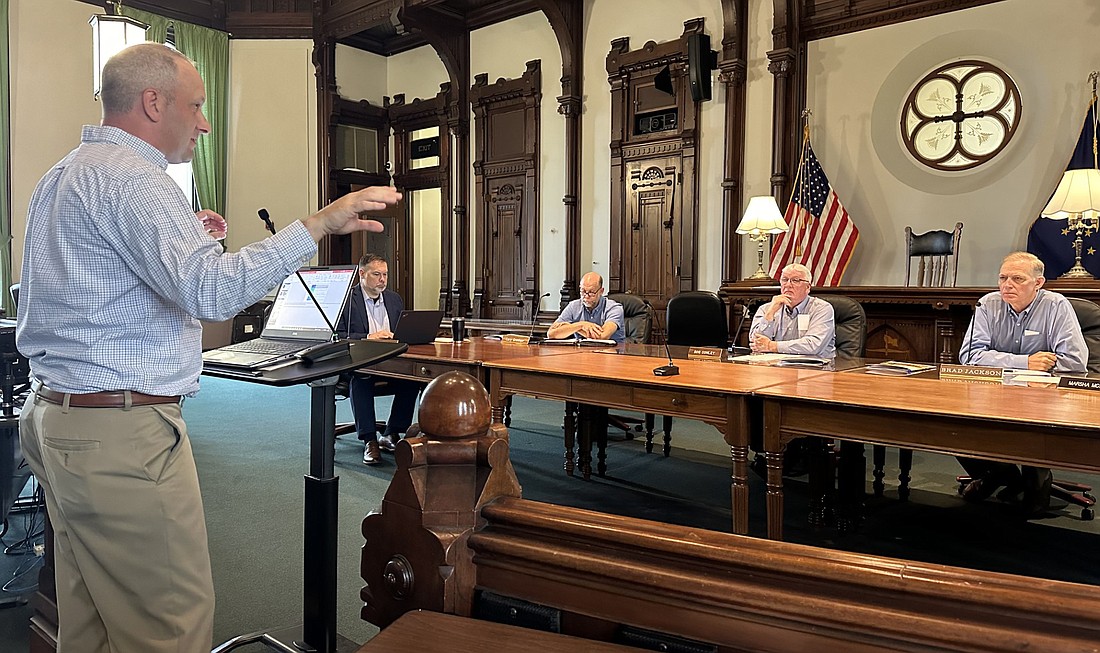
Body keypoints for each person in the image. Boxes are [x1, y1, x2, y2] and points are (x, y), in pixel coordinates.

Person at [15, 43, 400, 653]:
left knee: (90, 624)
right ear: (152, 102)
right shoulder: (136, 179)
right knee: (169, 628)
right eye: (195, 106)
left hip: (57, 418)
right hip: (119, 433)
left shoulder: (63, 175)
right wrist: (319, 225)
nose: (204, 123)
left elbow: (91, 289)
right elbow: (212, 292)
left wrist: (186, 239)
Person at [956, 251, 1087, 515]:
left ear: (1038, 283)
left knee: (1033, 508)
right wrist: (1025, 362)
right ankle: (1000, 475)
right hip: (995, 393)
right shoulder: (987, 304)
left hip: (1042, 398)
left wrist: (998, 361)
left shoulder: (1056, 306)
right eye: (1003, 278)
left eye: (1017, 278)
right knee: (954, 423)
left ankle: (1035, 481)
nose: (1007, 285)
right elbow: (969, 356)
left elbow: (1074, 362)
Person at [336, 253, 421, 465]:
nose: (382, 279)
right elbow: (336, 337)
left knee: (412, 378)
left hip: (389, 361)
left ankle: (392, 433)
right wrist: (367, 337)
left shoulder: (394, 299)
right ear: (362, 274)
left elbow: (402, 331)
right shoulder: (346, 300)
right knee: (361, 377)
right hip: (356, 361)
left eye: (385, 274)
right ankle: (369, 439)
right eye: (377, 274)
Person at [748, 263, 836, 357]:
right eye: (785, 280)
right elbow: (757, 343)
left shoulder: (822, 309)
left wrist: (771, 346)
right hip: (776, 366)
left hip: (815, 367)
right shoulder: (767, 308)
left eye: (795, 280)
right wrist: (770, 314)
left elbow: (813, 345)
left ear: (808, 287)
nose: (788, 285)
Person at [546, 272, 625, 343]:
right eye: (583, 291)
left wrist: (572, 327)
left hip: (612, 354)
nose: (586, 296)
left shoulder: (614, 308)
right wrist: (581, 325)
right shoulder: (573, 306)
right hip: (582, 354)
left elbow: (602, 337)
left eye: (591, 292)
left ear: (601, 291)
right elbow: (551, 334)